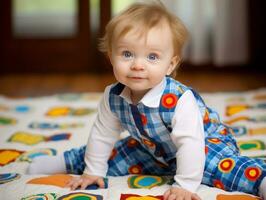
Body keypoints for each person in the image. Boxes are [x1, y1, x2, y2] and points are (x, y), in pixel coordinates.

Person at [28, 1, 266, 200]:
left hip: (203, 144)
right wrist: (93, 171)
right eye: (127, 54)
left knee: (221, 168)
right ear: (111, 56)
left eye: (152, 56)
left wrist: (185, 185)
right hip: (153, 147)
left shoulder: (180, 100)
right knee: (113, 152)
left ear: (170, 65)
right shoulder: (113, 96)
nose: (138, 65)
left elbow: (190, 144)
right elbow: (102, 135)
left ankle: (261, 180)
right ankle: (60, 162)